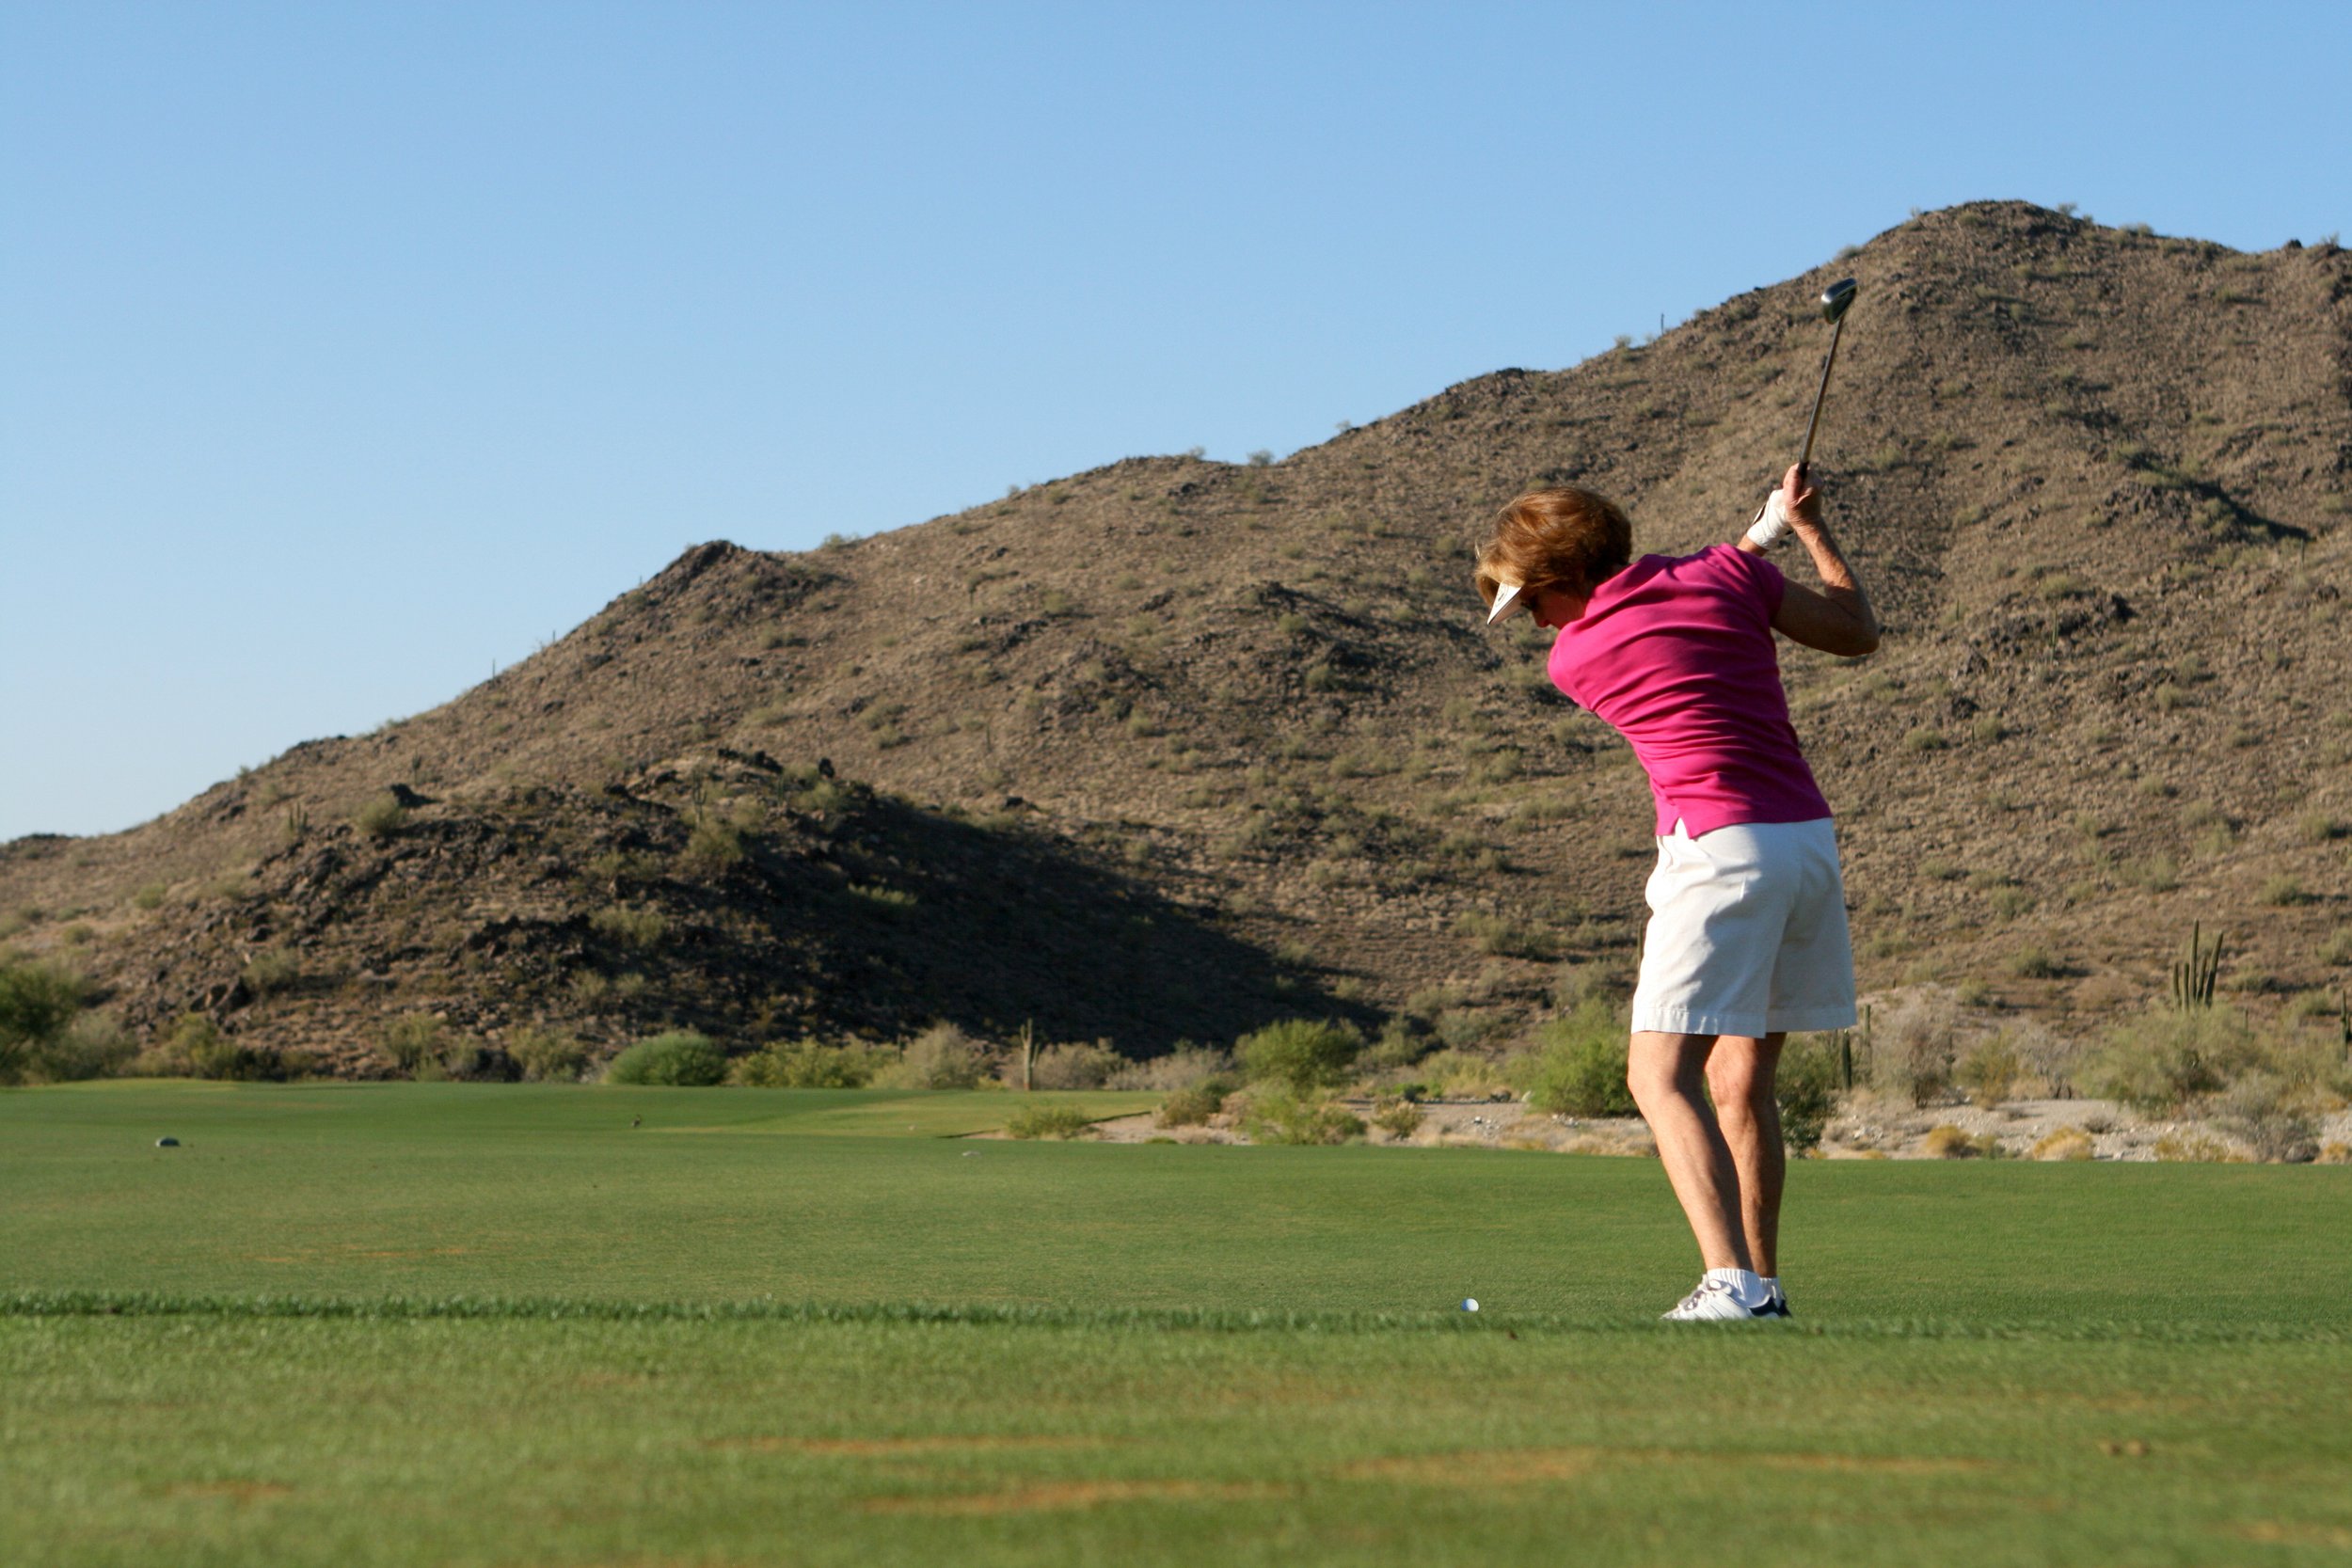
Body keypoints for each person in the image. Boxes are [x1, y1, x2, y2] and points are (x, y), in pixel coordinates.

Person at [1474, 465, 1879, 1322]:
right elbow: (1854, 630)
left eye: (1532, 600)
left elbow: (1666, 606)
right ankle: (1763, 1287)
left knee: (1657, 1076)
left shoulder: (1574, 657)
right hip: (1805, 844)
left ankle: (1729, 1282)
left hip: (1717, 851)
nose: (1534, 622)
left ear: (1559, 578)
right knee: (1742, 1080)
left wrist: (1756, 537)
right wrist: (1796, 530)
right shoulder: (1729, 579)